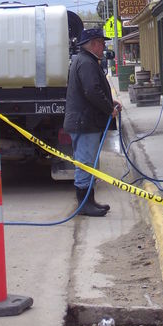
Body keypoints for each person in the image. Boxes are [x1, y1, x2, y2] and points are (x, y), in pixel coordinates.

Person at [64, 28, 122, 217]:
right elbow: (92, 91)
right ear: (94, 43)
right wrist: (108, 109)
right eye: (102, 43)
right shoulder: (87, 63)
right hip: (85, 122)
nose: (104, 46)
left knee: (88, 161)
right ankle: (85, 204)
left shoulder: (84, 61)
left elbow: (92, 90)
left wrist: (109, 101)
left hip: (84, 121)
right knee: (85, 162)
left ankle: (89, 200)